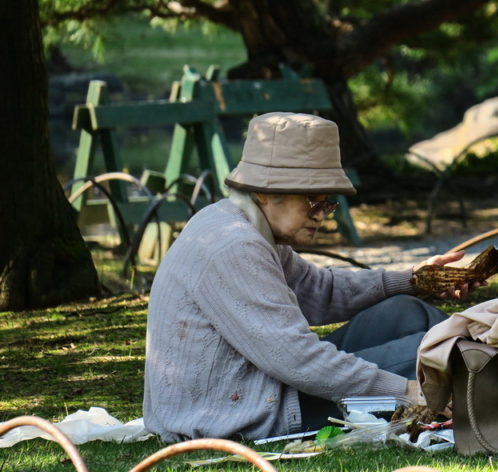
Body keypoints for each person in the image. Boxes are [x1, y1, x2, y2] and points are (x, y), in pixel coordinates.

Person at [143, 112, 474, 442]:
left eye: (327, 203)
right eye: (311, 201)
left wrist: (414, 280)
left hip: (262, 385)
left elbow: (320, 291)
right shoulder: (235, 246)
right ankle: (496, 392)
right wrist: (406, 391)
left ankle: (479, 384)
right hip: (238, 414)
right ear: (265, 193)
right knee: (438, 350)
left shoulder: (242, 222)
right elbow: (295, 358)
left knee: (406, 311)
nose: (321, 215)